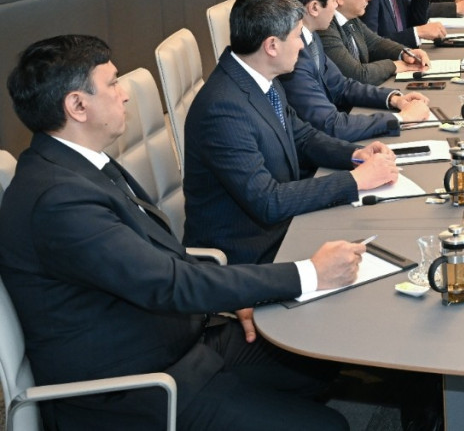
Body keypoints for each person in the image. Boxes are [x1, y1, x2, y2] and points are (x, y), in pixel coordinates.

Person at [0, 34, 364, 430]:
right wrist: (310, 273)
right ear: (77, 105)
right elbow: (167, 283)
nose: (124, 94)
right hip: (135, 389)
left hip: (178, 337)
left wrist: (240, 296)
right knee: (328, 426)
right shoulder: (58, 200)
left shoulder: (76, 165)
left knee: (319, 360)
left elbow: (157, 258)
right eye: (113, 83)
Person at [183, 0, 399, 264]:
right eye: (297, 36)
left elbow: (302, 136)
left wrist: (355, 155)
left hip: (284, 227)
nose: (301, 45)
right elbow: (268, 201)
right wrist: (355, 180)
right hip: (251, 255)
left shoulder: (261, 77)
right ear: (272, 45)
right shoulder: (222, 110)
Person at [273, 0, 433, 139]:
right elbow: (331, 124)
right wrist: (401, 118)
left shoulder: (311, 35)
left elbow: (342, 86)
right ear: (314, 7)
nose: (336, 6)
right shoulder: (293, 56)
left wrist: (394, 99)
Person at [320, 0, 429, 85]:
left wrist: (406, 53)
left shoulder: (351, 18)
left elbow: (375, 43)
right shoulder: (325, 28)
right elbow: (358, 75)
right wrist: (394, 65)